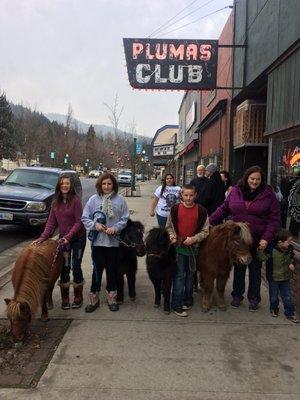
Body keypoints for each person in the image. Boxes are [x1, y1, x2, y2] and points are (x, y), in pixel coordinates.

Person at [210, 165, 280, 311]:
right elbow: (224, 208)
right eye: (252, 178)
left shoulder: (268, 194)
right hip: (238, 239)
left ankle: (254, 298)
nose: (254, 182)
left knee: (255, 270)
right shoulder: (236, 191)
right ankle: (237, 295)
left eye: (258, 179)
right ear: (246, 177)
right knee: (239, 269)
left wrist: (267, 237)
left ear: (262, 180)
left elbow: (274, 219)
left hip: (257, 240)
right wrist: (209, 221)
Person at [34, 174, 86, 310]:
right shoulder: (55, 202)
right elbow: (51, 223)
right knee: (64, 267)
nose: (65, 186)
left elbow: (79, 222)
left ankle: (78, 296)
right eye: (62, 183)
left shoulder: (75, 201)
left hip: (78, 239)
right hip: (64, 241)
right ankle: (65, 298)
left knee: (76, 265)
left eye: (67, 183)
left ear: (71, 186)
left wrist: (68, 237)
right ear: (59, 185)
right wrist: (42, 238)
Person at [82, 172, 129, 312]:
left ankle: (112, 299)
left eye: (109, 184)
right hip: (97, 243)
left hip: (112, 243)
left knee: (111, 271)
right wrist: (95, 225)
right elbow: (85, 217)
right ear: (100, 185)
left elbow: (125, 218)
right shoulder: (93, 200)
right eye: (104, 184)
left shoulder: (120, 200)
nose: (106, 186)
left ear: (113, 184)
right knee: (97, 271)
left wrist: (115, 228)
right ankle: (94, 300)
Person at [166, 184, 209, 317]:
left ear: (195, 195)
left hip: (193, 250)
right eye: (186, 195)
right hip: (179, 249)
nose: (188, 198)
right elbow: (169, 227)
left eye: (191, 195)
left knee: (191, 276)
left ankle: (188, 299)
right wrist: (172, 237)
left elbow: (205, 230)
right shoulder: (175, 209)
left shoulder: (201, 211)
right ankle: (177, 304)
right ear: (181, 195)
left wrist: (194, 239)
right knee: (179, 276)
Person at [257, 229, 298, 323]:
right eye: (288, 241)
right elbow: (262, 258)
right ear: (280, 242)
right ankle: (274, 308)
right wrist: (260, 250)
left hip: (285, 278)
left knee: (287, 296)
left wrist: (292, 264)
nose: (290, 243)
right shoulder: (272, 250)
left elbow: (292, 260)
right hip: (273, 278)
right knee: (274, 296)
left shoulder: (290, 250)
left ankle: (290, 313)